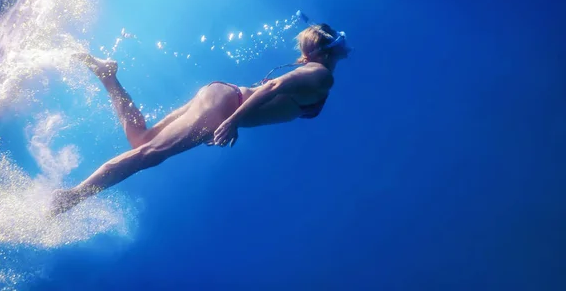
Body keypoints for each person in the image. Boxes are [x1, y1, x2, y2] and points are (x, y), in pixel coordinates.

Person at [50, 23, 350, 214]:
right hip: (226, 105)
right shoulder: (322, 75)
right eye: (340, 41)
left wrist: (230, 117)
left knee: (140, 140)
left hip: (221, 95)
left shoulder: (317, 74)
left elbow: (276, 91)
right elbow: (274, 86)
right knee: (148, 155)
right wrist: (231, 121)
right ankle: (73, 196)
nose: (345, 44)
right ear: (329, 49)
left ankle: (107, 75)